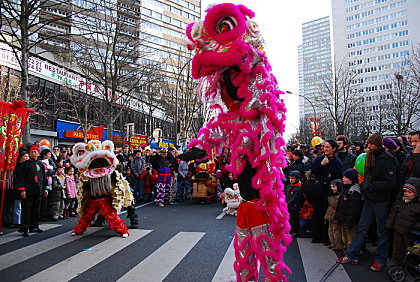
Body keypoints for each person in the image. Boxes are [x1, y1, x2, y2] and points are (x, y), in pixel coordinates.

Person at [337, 133, 398, 272]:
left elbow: (391, 183)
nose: (367, 146)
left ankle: (381, 260)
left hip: (381, 200)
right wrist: (366, 186)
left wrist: (370, 186)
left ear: (376, 143)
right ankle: (352, 255)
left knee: (381, 230)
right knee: (361, 228)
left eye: (370, 144)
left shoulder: (388, 159)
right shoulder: (370, 156)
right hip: (369, 198)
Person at [309, 140, 343, 245]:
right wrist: (321, 164)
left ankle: (327, 238)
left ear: (334, 149)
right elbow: (313, 171)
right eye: (324, 147)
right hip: (319, 190)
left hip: (329, 192)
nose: (325, 149)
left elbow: (338, 177)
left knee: (327, 216)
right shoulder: (320, 158)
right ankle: (316, 236)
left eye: (328, 147)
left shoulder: (337, 162)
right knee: (317, 214)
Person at [15, 146, 49, 237]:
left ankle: (35, 226)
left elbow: (44, 177)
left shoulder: (41, 164)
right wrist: (22, 190)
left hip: (39, 190)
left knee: (36, 209)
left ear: (38, 153)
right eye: (32, 152)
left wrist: (46, 188)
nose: (33, 153)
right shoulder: (25, 164)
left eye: (35, 152)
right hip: (28, 191)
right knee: (26, 210)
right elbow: (21, 178)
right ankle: (25, 228)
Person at [386, 177, 420, 266]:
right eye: (405, 191)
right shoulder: (399, 201)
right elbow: (393, 213)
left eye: (409, 192)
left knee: (409, 249)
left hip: (410, 231)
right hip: (397, 229)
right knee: (397, 248)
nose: (406, 193)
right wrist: (389, 224)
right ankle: (396, 264)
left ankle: (409, 265)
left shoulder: (417, 205)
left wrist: (415, 227)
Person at [334, 169, 362, 252]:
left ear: (351, 179)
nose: (343, 178)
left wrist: (349, 222)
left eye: (345, 177)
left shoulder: (354, 191)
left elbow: (354, 209)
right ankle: (346, 252)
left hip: (349, 220)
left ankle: (351, 255)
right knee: (344, 238)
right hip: (343, 218)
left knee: (350, 239)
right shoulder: (345, 188)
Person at [325, 179, 344, 251]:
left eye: (334, 186)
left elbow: (334, 204)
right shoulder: (332, 195)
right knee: (330, 231)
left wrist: (330, 197)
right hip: (330, 215)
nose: (332, 188)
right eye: (331, 186)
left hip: (335, 216)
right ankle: (333, 243)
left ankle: (338, 245)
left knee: (336, 232)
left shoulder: (339, 196)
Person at [285, 170, 302, 238]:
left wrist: (288, 203)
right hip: (288, 205)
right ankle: (290, 230)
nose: (291, 180)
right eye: (290, 178)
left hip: (294, 206)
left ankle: (295, 232)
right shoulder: (289, 186)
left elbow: (295, 198)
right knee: (289, 219)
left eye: (292, 178)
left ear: (297, 178)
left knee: (294, 219)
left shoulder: (298, 187)